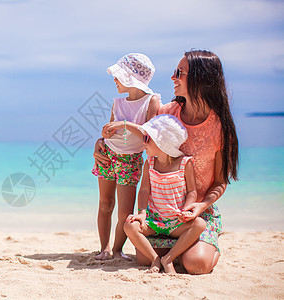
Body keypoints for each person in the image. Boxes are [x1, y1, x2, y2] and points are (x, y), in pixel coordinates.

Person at [94, 49, 239, 274]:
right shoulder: (166, 113)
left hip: (194, 214)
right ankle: (178, 252)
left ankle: (203, 246)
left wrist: (199, 205)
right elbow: (137, 138)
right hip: (161, 212)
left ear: (201, 79)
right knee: (143, 259)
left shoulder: (219, 127)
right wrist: (100, 143)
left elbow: (220, 182)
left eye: (180, 72)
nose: (173, 77)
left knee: (196, 265)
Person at [92, 53, 161, 260]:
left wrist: (125, 124)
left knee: (124, 212)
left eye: (119, 76)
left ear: (131, 78)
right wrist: (102, 138)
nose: (115, 80)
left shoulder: (151, 101)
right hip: (107, 155)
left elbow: (150, 135)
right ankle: (104, 248)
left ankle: (117, 250)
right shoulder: (118, 102)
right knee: (105, 204)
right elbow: (110, 132)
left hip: (129, 160)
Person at [124, 114, 206, 273]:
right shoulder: (150, 162)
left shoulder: (185, 163)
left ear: (163, 142)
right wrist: (141, 213)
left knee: (200, 224)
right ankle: (155, 259)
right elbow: (144, 190)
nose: (143, 141)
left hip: (176, 222)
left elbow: (192, 192)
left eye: (148, 138)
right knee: (129, 225)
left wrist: (187, 210)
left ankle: (168, 258)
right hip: (154, 221)